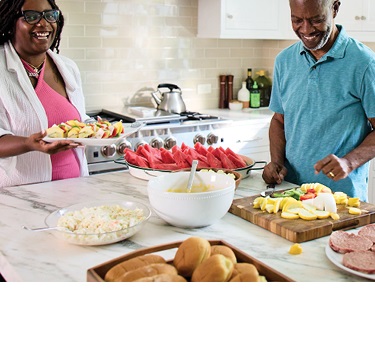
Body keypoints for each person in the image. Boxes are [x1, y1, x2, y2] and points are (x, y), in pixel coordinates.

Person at [262, 0, 375, 202]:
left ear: (335, 8)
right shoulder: (284, 61)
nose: (306, 29)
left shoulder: (364, 63)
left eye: (316, 20)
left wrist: (349, 162)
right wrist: (277, 162)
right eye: (297, 20)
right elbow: (279, 120)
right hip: (290, 193)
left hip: (341, 199)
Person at [0, 0, 89, 188]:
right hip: (22, 195)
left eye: (50, 15)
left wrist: (94, 129)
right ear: (10, 22)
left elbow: (74, 121)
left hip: (75, 188)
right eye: (31, 16)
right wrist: (28, 143)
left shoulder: (68, 68)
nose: (43, 23)